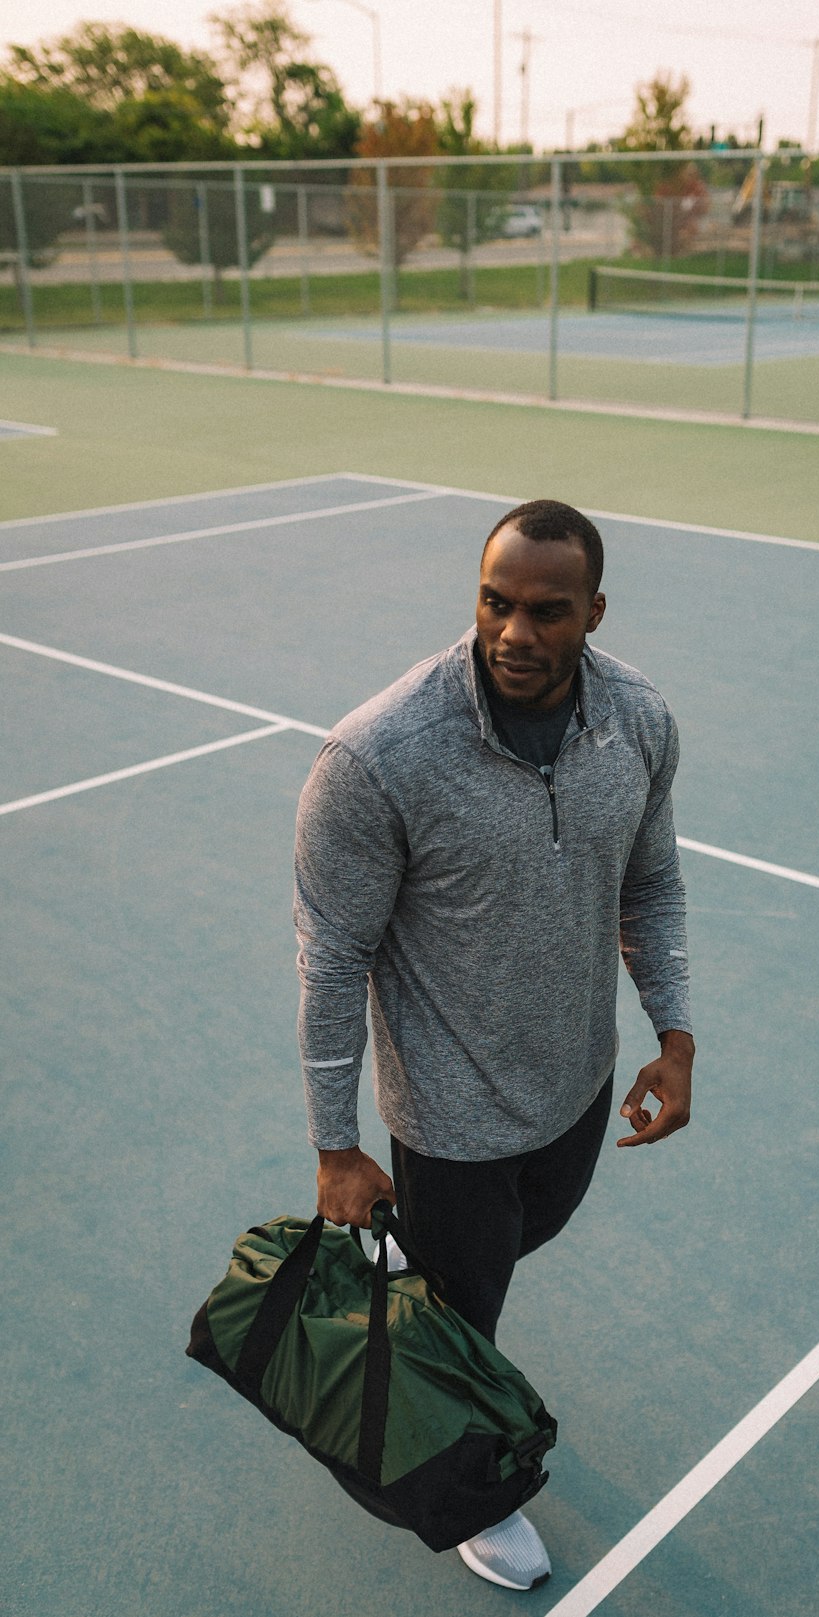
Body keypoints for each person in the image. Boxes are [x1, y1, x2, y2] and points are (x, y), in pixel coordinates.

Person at [293, 498, 694, 1590]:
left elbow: (650, 885)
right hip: (451, 1116)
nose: (514, 632)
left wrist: (675, 1033)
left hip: (577, 1081)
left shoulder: (639, 720)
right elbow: (332, 962)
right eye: (494, 602)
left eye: (546, 612)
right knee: (467, 1325)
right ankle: (475, 1498)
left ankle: (410, 1270)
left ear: (593, 613)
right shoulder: (380, 757)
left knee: (531, 1230)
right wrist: (337, 1146)